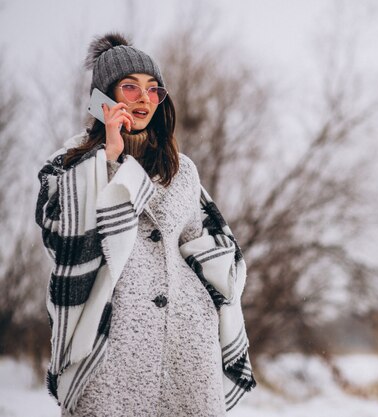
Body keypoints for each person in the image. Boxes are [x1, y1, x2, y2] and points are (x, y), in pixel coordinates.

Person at [35, 33, 255, 416]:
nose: (143, 98)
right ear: (102, 96)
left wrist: (210, 291)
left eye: (153, 89)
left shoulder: (181, 169)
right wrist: (109, 159)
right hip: (112, 340)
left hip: (187, 343)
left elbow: (204, 242)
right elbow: (61, 241)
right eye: (129, 87)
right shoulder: (68, 166)